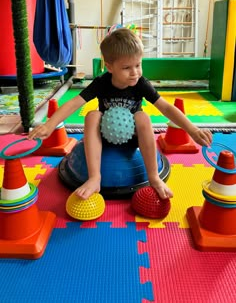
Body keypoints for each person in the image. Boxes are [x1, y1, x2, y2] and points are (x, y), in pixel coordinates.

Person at [28, 28, 212, 200]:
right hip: (104, 137)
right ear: (110, 67)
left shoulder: (141, 83)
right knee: (92, 115)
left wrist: (193, 130)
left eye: (138, 65)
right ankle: (94, 178)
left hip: (133, 139)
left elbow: (166, 108)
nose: (135, 73)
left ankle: (154, 177)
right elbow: (74, 103)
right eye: (127, 68)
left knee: (142, 116)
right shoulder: (102, 82)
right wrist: (49, 125)